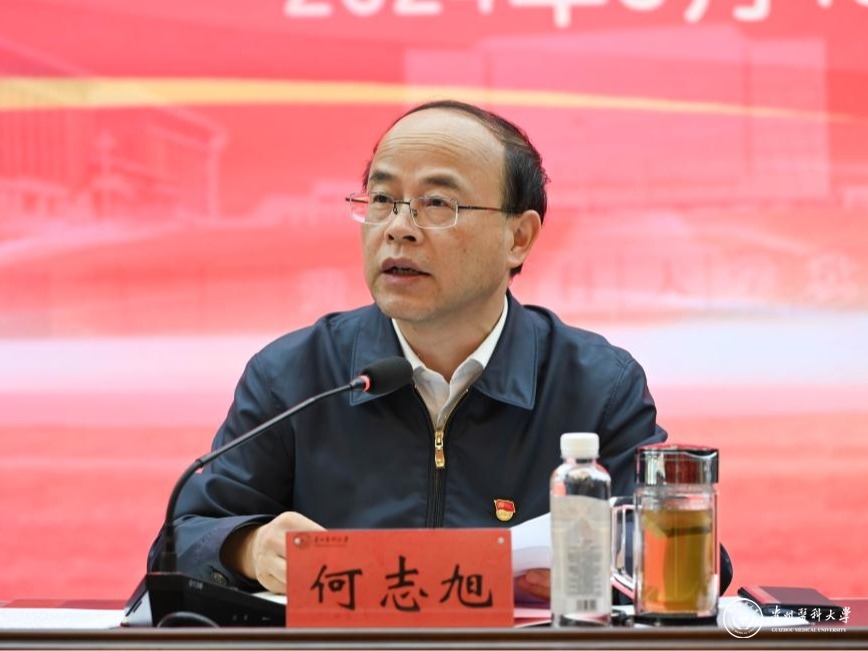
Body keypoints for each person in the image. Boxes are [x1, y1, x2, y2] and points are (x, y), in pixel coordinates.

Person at [147, 99, 731, 597]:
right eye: (382, 199)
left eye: (437, 204)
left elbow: (693, 556)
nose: (398, 227)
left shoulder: (596, 385)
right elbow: (180, 542)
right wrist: (248, 548)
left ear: (518, 236)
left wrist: (609, 560)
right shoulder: (296, 375)